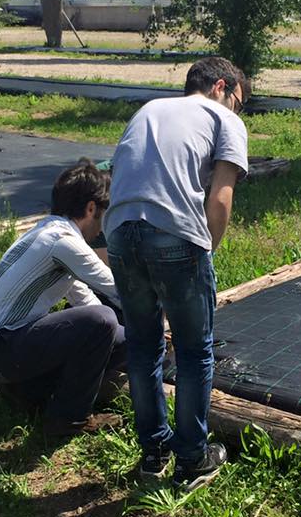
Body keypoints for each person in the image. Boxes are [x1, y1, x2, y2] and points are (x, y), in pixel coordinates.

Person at [105, 56, 249, 491]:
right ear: (222, 87)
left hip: (119, 232)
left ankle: (153, 454)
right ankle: (192, 458)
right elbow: (220, 198)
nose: (238, 111)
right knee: (193, 350)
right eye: (239, 102)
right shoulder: (223, 119)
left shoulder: (148, 110)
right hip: (174, 235)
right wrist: (203, 253)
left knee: (144, 347)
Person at [0, 160, 125, 438]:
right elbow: (117, 290)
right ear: (91, 208)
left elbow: (83, 297)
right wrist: (161, 319)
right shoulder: (64, 241)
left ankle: (31, 392)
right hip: (0, 350)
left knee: (116, 332)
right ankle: (69, 419)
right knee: (105, 320)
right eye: (104, 213)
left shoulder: (47, 232)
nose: (102, 227)